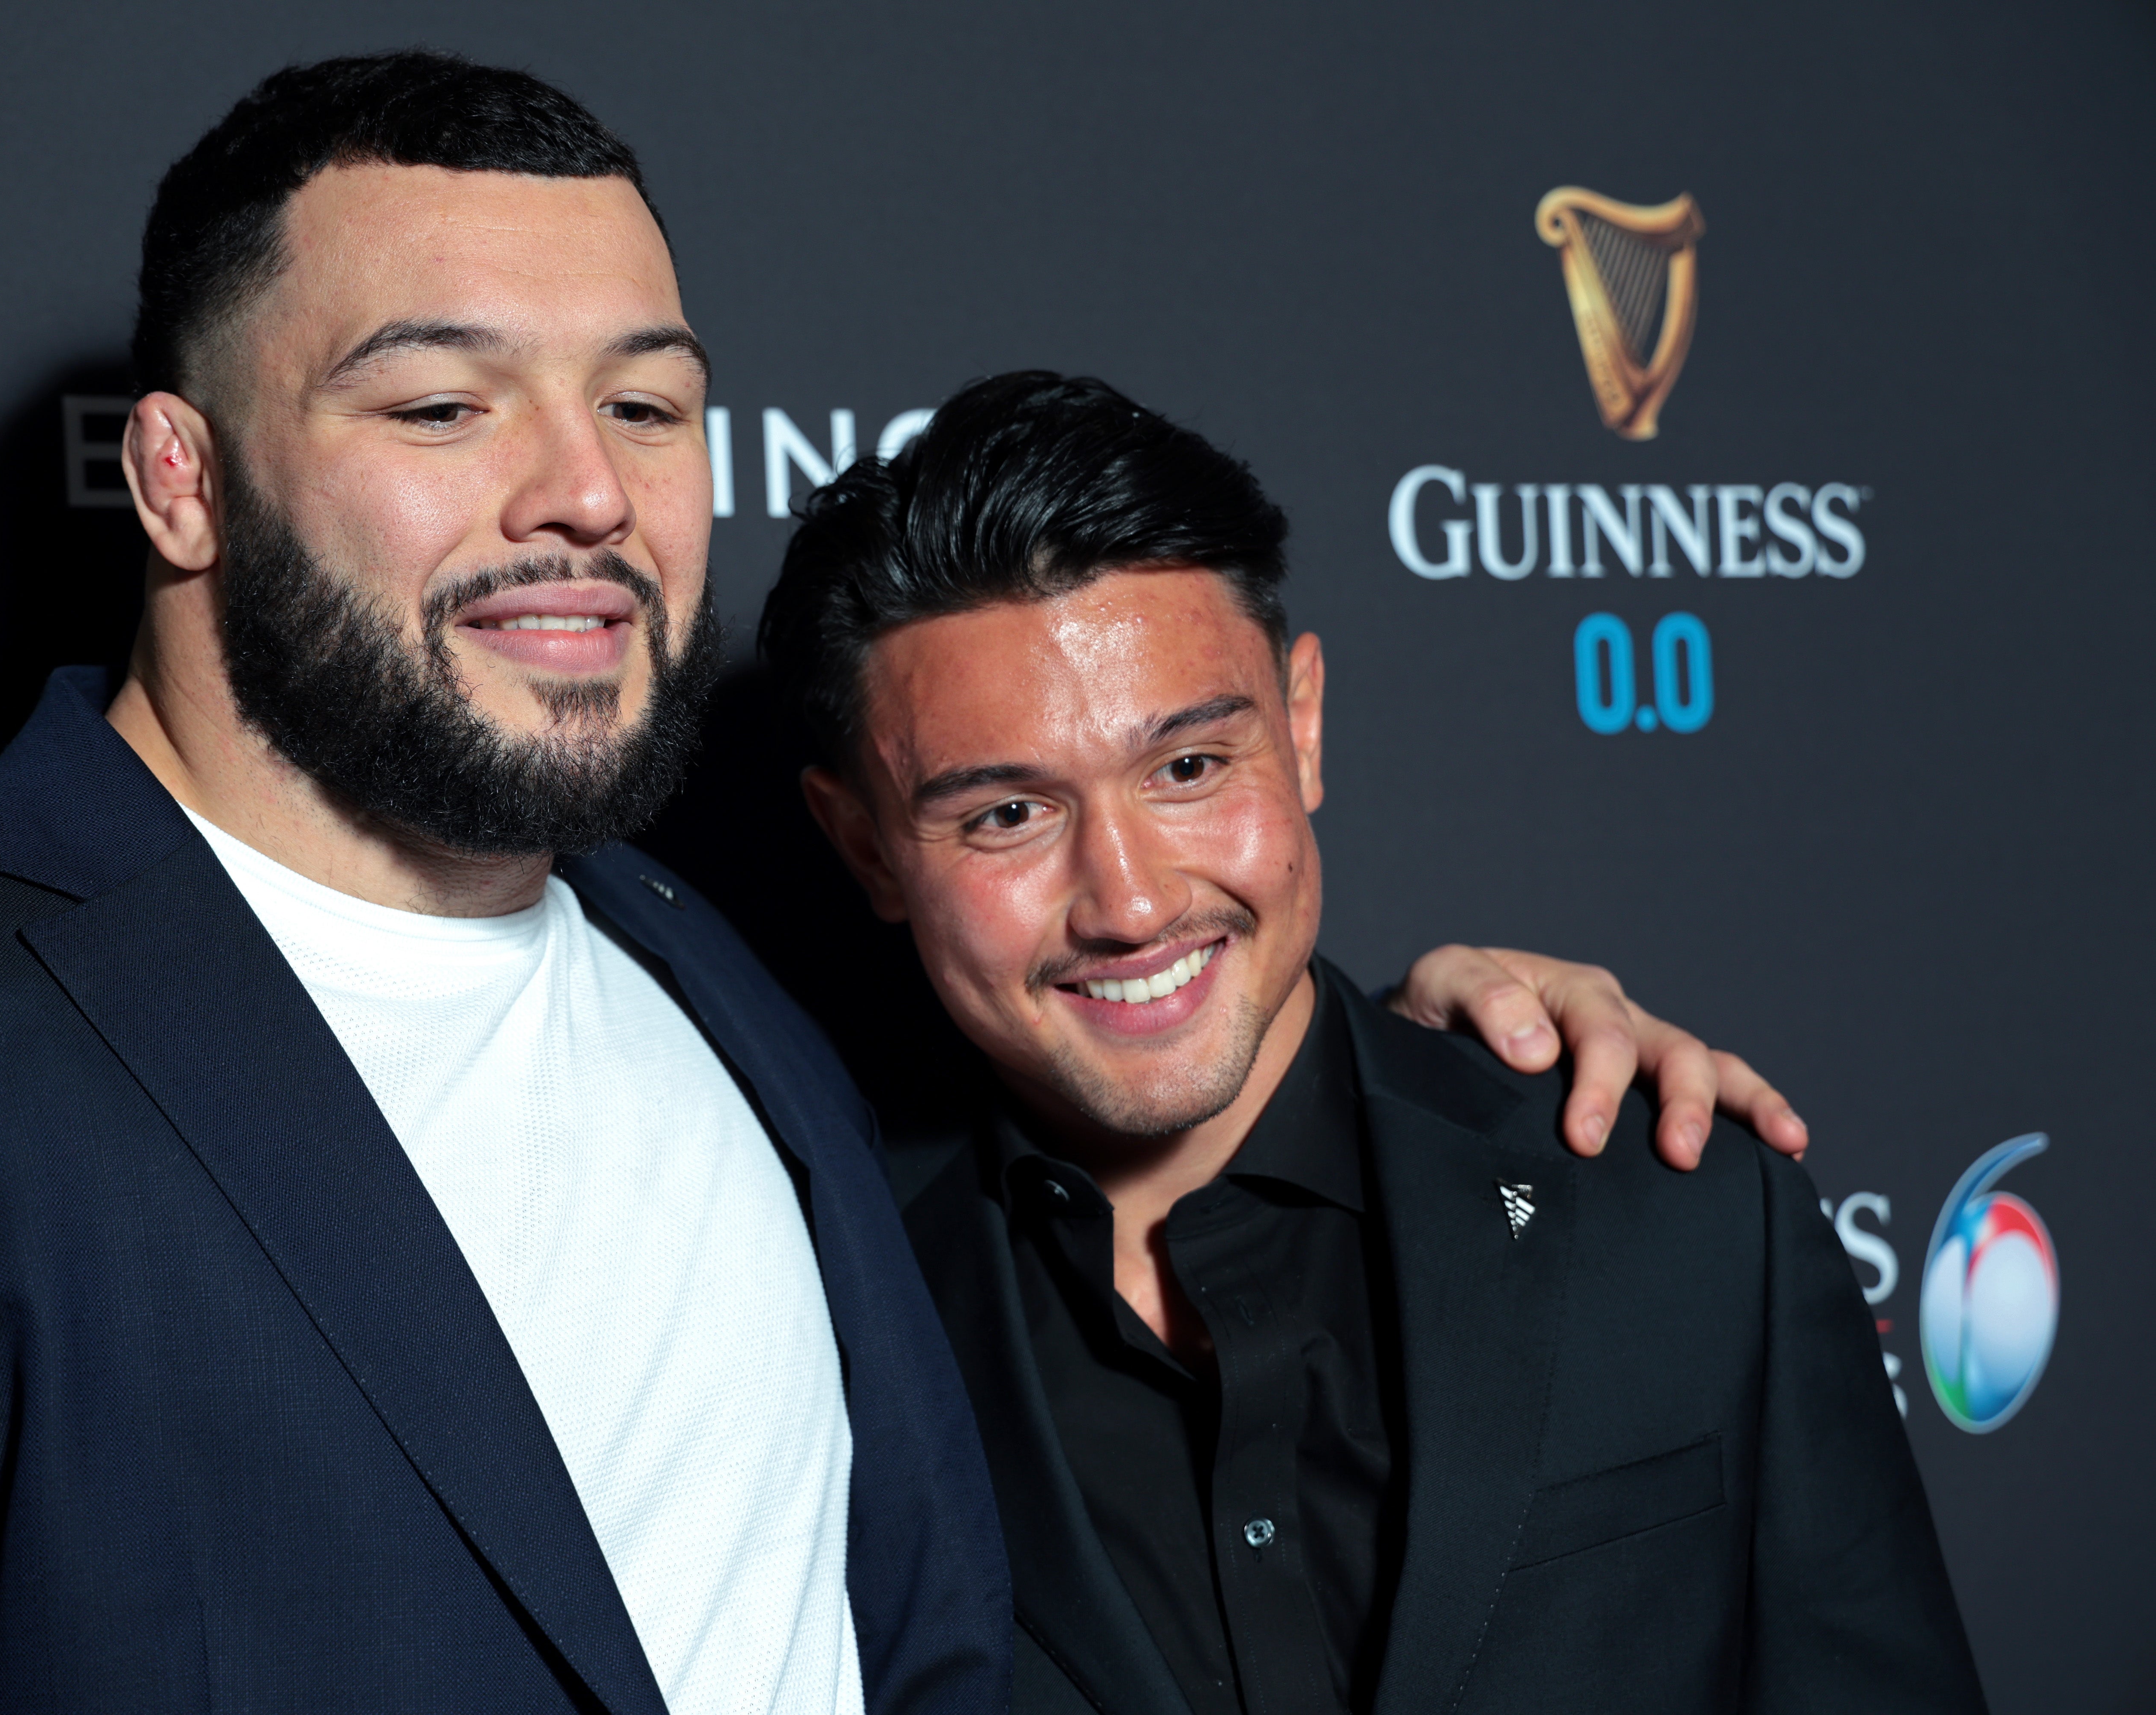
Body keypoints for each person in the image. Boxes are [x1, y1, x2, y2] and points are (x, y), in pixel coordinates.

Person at [0, 54, 1797, 1715]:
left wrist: (1452, 1040)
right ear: (182, 477)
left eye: (648, 407)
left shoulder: (712, 965)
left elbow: (1131, 991)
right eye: (441, 407)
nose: (583, 495)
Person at [763, 372, 1987, 1715]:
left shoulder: (1686, 1218)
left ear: (1303, 726)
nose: (1131, 903)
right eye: (1005, 815)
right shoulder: (802, 1317)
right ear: (866, 844)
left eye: (1188, 770)